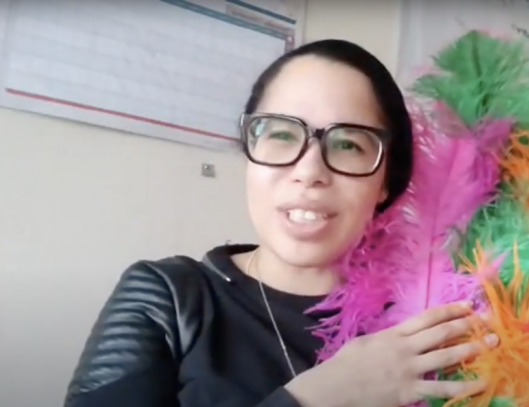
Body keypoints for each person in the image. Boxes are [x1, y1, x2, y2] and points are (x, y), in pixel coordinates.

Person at [63, 39, 499, 407]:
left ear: (385, 182)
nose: (309, 171)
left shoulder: (427, 323)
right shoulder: (166, 297)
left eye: (347, 144)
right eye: (281, 134)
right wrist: (314, 398)